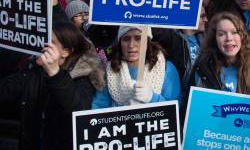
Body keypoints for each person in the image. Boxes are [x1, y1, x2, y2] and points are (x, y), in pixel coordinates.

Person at [0, 22, 105, 150]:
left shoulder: (83, 79)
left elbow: (77, 112)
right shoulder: (35, 71)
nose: (42, 45)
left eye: (50, 42)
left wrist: (55, 73)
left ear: (65, 52)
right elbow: (6, 90)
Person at [92, 26, 181, 108]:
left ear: (147, 41)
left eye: (138, 38)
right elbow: (98, 107)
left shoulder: (166, 68)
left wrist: (152, 98)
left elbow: (175, 108)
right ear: (120, 43)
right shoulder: (110, 71)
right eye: (126, 39)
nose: (131, 45)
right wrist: (122, 111)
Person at [188, 12, 250, 96]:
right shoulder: (203, 65)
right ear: (215, 39)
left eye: (234, 32)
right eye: (221, 34)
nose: (229, 38)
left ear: (242, 36)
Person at [153, 6, 208, 89]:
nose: (206, 19)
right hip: (179, 94)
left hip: (199, 95)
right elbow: (150, 25)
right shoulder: (172, 38)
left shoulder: (206, 39)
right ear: (190, 16)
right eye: (202, 16)